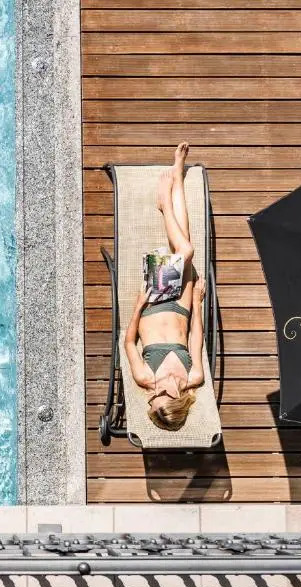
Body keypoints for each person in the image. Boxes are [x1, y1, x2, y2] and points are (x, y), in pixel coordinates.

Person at [125, 142, 206, 431]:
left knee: (185, 250)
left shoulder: (145, 377)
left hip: (153, 302)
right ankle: (177, 177)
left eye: (150, 401)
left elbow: (129, 342)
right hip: (183, 307)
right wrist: (197, 303)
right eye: (156, 399)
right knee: (184, 243)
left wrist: (139, 305)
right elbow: (195, 338)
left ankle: (165, 204)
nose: (150, 396)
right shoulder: (194, 377)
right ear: (174, 398)